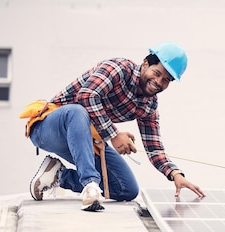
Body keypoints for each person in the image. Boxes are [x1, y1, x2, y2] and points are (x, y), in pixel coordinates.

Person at [26, 42, 205, 211]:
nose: (159, 82)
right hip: (48, 128)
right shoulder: (119, 68)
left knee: (126, 188)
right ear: (145, 64)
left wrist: (176, 174)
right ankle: (90, 187)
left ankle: (58, 175)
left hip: (84, 140)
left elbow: (154, 148)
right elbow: (87, 96)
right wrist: (113, 134)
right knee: (77, 112)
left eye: (166, 80)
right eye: (157, 73)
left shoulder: (149, 105)